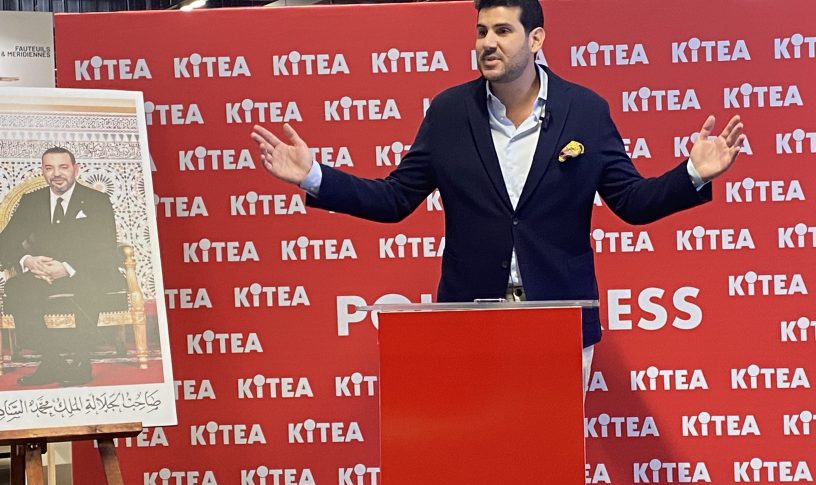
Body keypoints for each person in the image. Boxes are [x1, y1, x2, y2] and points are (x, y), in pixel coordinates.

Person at [251, 0, 745, 379]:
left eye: (503, 31)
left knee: (552, 463)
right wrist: (314, 176)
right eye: (481, 31)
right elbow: (394, 198)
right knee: (480, 463)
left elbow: (632, 202)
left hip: (559, 325)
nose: (488, 42)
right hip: (470, 323)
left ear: (536, 39)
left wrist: (693, 174)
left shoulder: (585, 111)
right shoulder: (449, 113)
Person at [0, 147, 123, 386]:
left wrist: (67, 268)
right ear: (43, 171)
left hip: (84, 270)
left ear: (76, 169)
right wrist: (29, 261)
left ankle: (81, 363)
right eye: (49, 168)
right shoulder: (31, 201)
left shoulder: (97, 201)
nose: (56, 173)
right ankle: (51, 360)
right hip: (41, 273)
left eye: (63, 167)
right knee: (16, 288)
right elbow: (5, 242)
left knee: (89, 286)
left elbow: (105, 247)